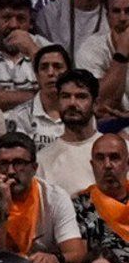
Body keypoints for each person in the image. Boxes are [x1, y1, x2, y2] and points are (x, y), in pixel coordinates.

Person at [0, 131, 85, 263]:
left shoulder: (55, 197)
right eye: (3, 164)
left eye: (19, 163)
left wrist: (55, 258)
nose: (10, 171)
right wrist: (2, 207)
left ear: (34, 168)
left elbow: (77, 253)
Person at [36, 69, 101, 197]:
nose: (72, 103)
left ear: (95, 104)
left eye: (81, 96)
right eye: (65, 96)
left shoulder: (121, 151)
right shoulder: (42, 160)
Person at [71, 133, 129, 263]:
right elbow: (80, 261)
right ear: (92, 165)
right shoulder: (79, 207)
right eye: (100, 158)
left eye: (114, 157)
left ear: (127, 163)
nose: (107, 165)